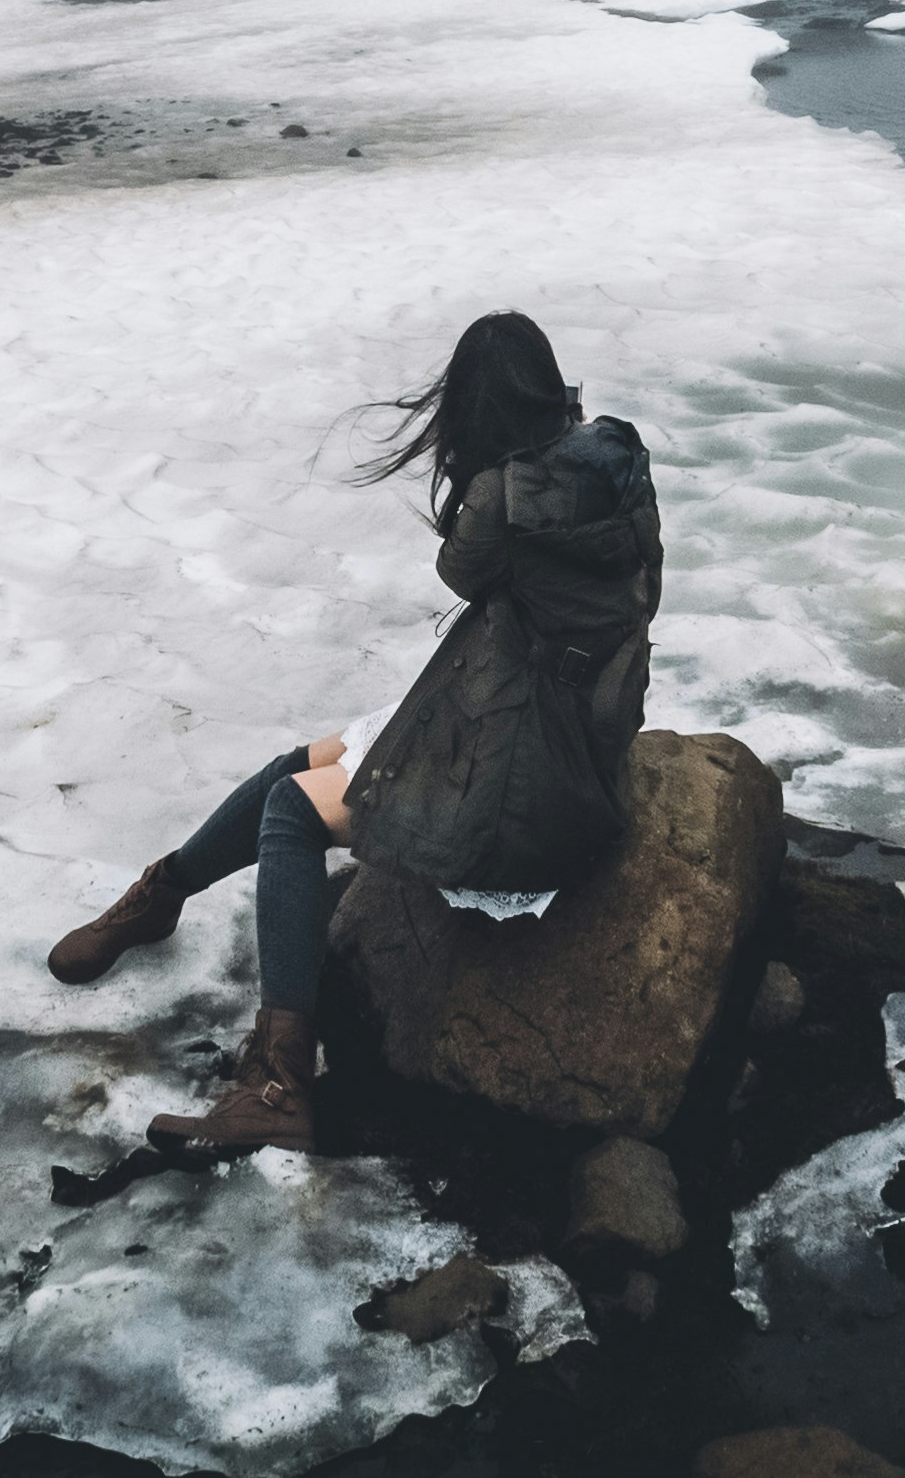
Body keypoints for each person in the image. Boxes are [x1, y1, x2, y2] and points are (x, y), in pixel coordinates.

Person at [44, 310, 664, 1152]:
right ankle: (162, 895)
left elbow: (461, 571)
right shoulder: (618, 461)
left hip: (529, 776)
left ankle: (277, 1083)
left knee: (293, 813)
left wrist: (483, 475)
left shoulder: (505, 493)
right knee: (298, 764)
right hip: (573, 729)